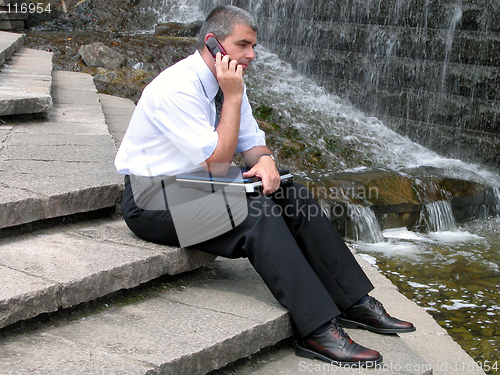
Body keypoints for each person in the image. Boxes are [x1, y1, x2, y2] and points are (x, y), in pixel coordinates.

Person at [115, 5, 415, 367]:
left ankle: (353, 301)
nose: (252, 55)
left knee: (293, 194)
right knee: (254, 212)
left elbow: (253, 145)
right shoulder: (176, 88)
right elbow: (219, 161)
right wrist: (234, 97)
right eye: (243, 45)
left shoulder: (229, 84)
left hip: (198, 187)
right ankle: (318, 330)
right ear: (213, 44)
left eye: (253, 46)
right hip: (152, 201)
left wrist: (268, 162)